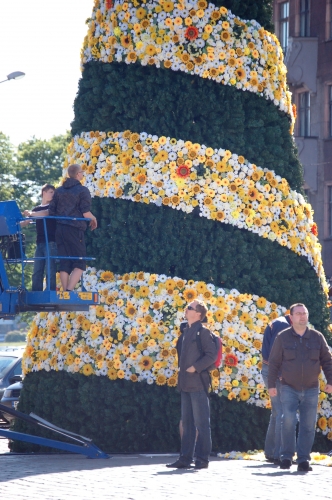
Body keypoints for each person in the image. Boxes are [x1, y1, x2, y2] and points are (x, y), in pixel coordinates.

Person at [268, 303, 332, 472]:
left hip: (311, 388)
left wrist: (330, 381)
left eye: (304, 313)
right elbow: (274, 362)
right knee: (287, 420)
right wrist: (271, 385)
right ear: (291, 317)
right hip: (288, 387)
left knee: (308, 425)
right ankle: (286, 457)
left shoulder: (317, 337)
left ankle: (303, 459)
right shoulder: (282, 337)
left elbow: (327, 360)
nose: (302, 316)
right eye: (298, 314)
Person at [25, 164, 97, 291]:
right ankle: (68, 290)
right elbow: (85, 212)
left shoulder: (59, 191)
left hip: (59, 231)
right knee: (80, 261)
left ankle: (65, 289)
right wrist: (93, 219)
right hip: (75, 229)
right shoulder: (82, 190)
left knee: (64, 262)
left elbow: (51, 212)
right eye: (82, 172)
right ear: (78, 174)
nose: (83, 174)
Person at [166, 300, 217, 470]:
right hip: (185, 383)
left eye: (190, 308)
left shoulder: (203, 332)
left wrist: (195, 368)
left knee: (202, 424)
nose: (186, 309)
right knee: (187, 424)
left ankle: (202, 459)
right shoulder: (186, 331)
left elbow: (211, 355)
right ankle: (185, 458)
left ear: (198, 314)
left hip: (198, 383)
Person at [261, 313, 291, 464]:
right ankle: (280, 454)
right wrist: (280, 375)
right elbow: (276, 353)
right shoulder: (284, 326)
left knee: (276, 412)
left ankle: (271, 452)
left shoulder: (279, 322)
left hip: (269, 370)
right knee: (282, 413)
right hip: (275, 372)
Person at [22, 184, 57, 291]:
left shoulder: (52, 206)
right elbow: (26, 222)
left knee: (50, 268)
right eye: (51, 192)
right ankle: (36, 291)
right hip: (40, 242)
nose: (53, 195)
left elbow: (45, 213)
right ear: (44, 193)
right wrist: (14, 223)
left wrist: (32, 213)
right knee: (37, 269)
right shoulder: (36, 209)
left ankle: (50, 291)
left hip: (51, 241)